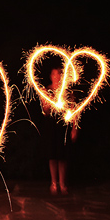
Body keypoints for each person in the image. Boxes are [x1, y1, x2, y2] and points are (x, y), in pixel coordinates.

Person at [41, 67, 78, 195]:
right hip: (51, 125)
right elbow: (45, 111)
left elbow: (73, 111)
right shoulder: (46, 90)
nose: (56, 76)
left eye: (59, 74)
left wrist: (74, 128)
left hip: (64, 125)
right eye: (54, 74)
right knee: (52, 155)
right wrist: (49, 100)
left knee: (62, 155)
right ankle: (54, 182)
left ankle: (62, 183)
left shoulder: (67, 92)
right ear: (50, 76)